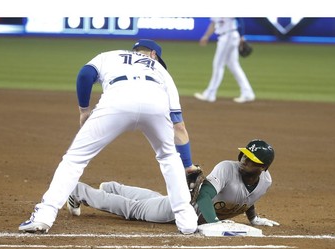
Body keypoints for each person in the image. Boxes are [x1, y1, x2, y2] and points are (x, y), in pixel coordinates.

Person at [19, 39, 200, 235]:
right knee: (168, 157)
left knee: (75, 158)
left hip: (117, 100)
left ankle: (44, 216)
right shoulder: (160, 69)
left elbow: (85, 74)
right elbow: (179, 127)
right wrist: (188, 164)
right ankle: (186, 220)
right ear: (154, 55)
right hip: (155, 102)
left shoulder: (110, 55)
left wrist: (84, 110)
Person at [67, 139, 279, 228]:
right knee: (133, 210)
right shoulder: (227, 168)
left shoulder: (265, 182)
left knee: (155, 201)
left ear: (264, 168)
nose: (244, 161)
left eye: (252, 161)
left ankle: (113, 188)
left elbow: (248, 198)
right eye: (244, 156)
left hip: (182, 208)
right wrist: (214, 223)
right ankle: (79, 191)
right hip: (182, 209)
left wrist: (254, 219)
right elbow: (205, 194)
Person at [194, 18, 255, 103]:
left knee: (218, 65)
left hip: (229, 36)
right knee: (234, 66)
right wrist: (206, 36)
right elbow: (213, 24)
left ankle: (210, 94)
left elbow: (239, 19)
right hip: (226, 37)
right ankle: (248, 93)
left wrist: (242, 36)